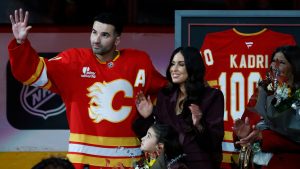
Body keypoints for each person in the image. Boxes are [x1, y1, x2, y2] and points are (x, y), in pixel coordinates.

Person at [8, 8, 167, 169]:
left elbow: (168, 97)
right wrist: (21, 44)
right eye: (94, 32)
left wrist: (151, 114)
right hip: (82, 163)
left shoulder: (139, 61)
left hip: (129, 163)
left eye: (105, 35)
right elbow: (30, 73)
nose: (96, 40)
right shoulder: (73, 61)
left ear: (117, 39)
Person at [134, 46, 224, 169]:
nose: (174, 69)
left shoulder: (212, 96)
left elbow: (215, 141)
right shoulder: (165, 96)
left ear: (193, 67)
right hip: (171, 165)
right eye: (172, 64)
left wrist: (199, 125)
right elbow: (159, 137)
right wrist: (148, 116)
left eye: (181, 64)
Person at [233, 45, 300, 169]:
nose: (274, 66)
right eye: (273, 61)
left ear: (295, 67)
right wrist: (244, 133)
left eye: (281, 62)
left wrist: (263, 137)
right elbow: (248, 126)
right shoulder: (262, 92)